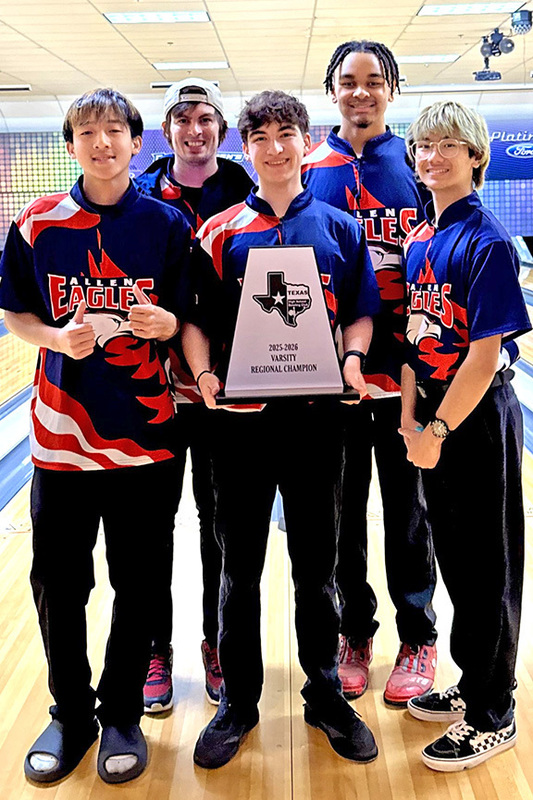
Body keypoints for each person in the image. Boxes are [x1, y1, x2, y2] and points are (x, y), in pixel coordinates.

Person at [181, 90, 381, 769]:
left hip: (316, 422)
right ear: (247, 149)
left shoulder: (340, 228)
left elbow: (359, 311)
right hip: (238, 425)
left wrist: (352, 358)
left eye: (285, 132)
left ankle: (324, 694)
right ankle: (238, 701)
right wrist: (205, 376)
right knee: (238, 570)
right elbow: (195, 321)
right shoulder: (218, 233)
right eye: (259, 136)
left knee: (314, 569)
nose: (274, 146)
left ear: (303, 141)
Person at [0, 88, 191, 784]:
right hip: (60, 436)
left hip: (146, 438)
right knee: (57, 579)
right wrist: (55, 336)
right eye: (87, 131)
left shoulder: (166, 225)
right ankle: (70, 713)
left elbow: (185, 316)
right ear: (71, 144)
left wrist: (164, 325)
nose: (102, 141)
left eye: (115, 130)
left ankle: (119, 716)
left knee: (137, 582)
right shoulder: (37, 223)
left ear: (137, 144)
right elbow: (17, 313)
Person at [302, 39, 437, 706]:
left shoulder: (419, 164)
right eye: (347, 81)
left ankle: (417, 637)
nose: (360, 92)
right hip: (331, 380)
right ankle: (354, 634)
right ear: (331, 91)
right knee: (341, 517)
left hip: (406, 375)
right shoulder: (307, 170)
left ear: (391, 90)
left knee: (408, 515)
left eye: (372, 81)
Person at [400, 100, 530, 771]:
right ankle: (472, 679)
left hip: (474, 423)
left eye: (448, 144)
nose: (432, 155)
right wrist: (408, 422)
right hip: (433, 424)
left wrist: (440, 429)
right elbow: (411, 341)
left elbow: (482, 359)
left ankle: (493, 712)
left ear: (475, 155)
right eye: (423, 144)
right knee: (454, 562)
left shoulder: (486, 241)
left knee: (487, 569)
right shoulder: (420, 239)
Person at [135, 78, 253, 712]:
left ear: (221, 129)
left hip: (222, 390)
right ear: (168, 128)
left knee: (218, 525)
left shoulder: (244, 186)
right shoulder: (144, 191)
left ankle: (216, 642)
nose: (195, 129)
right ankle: (156, 646)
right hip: (152, 387)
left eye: (206, 118)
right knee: (154, 526)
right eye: (183, 119)